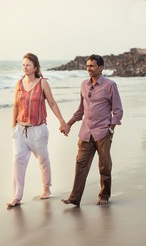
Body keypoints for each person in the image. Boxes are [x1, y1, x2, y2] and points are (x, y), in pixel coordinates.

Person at [61, 54, 123, 206]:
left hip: (103, 133)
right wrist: (69, 124)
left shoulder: (110, 85)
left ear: (100, 68)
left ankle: (104, 195)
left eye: (91, 66)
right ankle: (74, 198)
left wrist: (111, 129)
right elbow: (81, 109)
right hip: (86, 133)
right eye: (87, 65)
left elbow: (118, 110)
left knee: (104, 166)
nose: (88, 68)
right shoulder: (84, 85)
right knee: (80, 164)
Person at [7, 53, 68, 208]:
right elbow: (15, 106)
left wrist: (62, 122)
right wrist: (13, 127)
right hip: (20, 130)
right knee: (17, 162)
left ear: (35, 67)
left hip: (38, 130)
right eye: (23, 65)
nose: (24, 67)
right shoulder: (18, 84)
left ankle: (46, 188)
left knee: (43, 161)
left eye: (28, 65)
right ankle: (16, 196)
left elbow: (52, 103)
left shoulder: (42, 84)